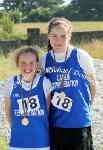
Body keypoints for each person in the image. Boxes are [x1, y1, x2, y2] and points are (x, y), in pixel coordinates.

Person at [40, 17, 97, 150]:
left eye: (63, 36)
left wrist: (86, 108)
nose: (58, 40)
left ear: (69, 36)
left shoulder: (80, 55)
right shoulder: (44, 60)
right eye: (54, 36)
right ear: (48, 36)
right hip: (56, 123)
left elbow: (93, 86)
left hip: (79, 122)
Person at [1, 46, 52, 150]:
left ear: (37, 64)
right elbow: (8, 111)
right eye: (23, 63)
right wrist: (17, 129)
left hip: (41, 142)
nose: (27, 66)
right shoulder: (10, 84)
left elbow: (48, 112)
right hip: (18, 142)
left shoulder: (45, 83)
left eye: (31, 63)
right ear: (17, 64)